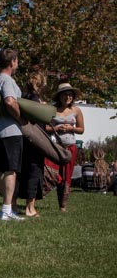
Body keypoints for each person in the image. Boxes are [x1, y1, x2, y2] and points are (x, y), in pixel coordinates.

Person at [0, 49, 25, 221]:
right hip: (10, 132)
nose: (17, 64)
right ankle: (7, 210)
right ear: (12, 62)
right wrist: (21, 118)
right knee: (10, 170)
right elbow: (9, 101)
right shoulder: (7, 81)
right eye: (17, 61)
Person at [44, 83, 85, 212]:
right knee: (52, 172)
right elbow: (45, 127)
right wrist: (56, 128)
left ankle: (63, 205)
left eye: (70, 95)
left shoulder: (76, 110)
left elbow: (81, 129)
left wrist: (71, 128)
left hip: (70, 147)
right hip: (55, 146)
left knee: (67, 176)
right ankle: (42, 192)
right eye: (65, 94)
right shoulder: (52, 109)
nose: (68, 97)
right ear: (59, 96)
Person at [16, 73, 49, 217]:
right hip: (35, 140)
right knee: (34, 172)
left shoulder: (22, 97)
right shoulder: (35, 99)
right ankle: (30, 208)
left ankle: (13, 204)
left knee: (21, 172)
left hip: (23, 139)